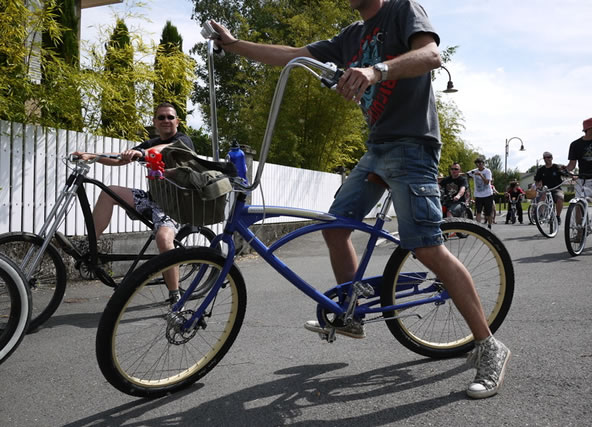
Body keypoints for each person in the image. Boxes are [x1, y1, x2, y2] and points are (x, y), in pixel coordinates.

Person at [209, 0, 510, 399]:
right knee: (336, 227)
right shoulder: (351, 36)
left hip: (413, 145)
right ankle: (350, 311)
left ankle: (489, 346)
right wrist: (234, 46)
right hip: (378, 149)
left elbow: (431, 55)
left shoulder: (403, 10)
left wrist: (375, 70)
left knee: (426, 248)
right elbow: (291, 56)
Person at [72, 103, 195, 302]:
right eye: (161, 117)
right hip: (152, 199)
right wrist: (93, 156)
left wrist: (145, 153)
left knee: (164, 240)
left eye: (170, 117)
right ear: (154, 122)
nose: (166, 120)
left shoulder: (183, 141)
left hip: (175, 205)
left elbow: (168, 148)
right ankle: (90, 247)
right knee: (109, 192)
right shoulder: (150, 143)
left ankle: (175, 295)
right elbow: (120, 159)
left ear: (177, 122)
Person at [534, 152, 565, 225]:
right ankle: (541, 215)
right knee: (542, 197)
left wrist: (572, 177)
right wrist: (538, 186)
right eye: (544, 157)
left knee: (560, 198)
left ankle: (558, 216)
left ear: (551, 158)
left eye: (548, 157)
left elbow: (565, 173)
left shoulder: (556, 167)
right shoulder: (541, 170)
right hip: (546, 189)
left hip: (557, 188)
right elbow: (537, 180)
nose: (546, 159)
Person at [471, 157, 494, 229]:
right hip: (478, 195)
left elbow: (487, 182)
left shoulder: (487, 171)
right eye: (477, 164)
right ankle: (478, 227)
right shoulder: (474, 171)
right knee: (478, 211)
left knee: (488, 212)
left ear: (483, 164)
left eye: (481, 163)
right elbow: (467, 174)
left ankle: (489, 225)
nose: (479, 165)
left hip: (487, 194)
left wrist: (481, 175)